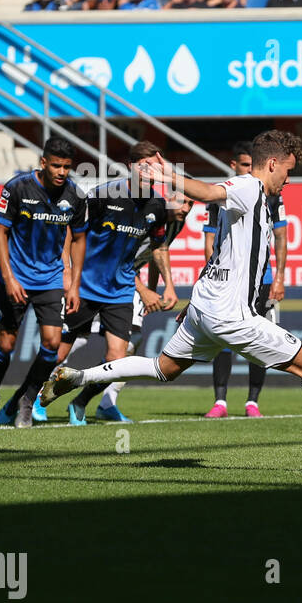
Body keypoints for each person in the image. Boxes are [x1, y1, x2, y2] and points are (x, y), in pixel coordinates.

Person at [43, 131, 302, 471]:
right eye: (288, 170)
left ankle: (77, 377)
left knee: (160, 369)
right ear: (272, 164)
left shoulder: (252, 197)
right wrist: (169, 175)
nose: (288, 179)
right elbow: (209, 191)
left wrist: (195, 304)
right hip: (230, 314)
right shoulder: (248, 187)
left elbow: (220, 255)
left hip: (206, 308)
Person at [54, 141, 176, 425]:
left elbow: (159, 247)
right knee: (57, 350)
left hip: (119, 288)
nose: (149, 171)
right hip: (85, 284)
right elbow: (72, 232)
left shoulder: (157, 205)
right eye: (143, 165)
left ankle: (80, 402)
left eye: (155, 166)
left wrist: (168, 285)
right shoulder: (103, 195)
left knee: (118, 359)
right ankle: (28, 399)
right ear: (131, 167)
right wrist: (67, 270)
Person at [0, 138, 88, 430]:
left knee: (52, 343)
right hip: (16, 277)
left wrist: (74, 284)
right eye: (56, 165)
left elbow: (78, 239)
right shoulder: (17, 188)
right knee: (6, 343)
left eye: (66, 166)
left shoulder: (75, 195)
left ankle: (27, 402)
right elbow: (0, 232)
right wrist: (8, 277)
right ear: (43, 163)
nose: (62, 171)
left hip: (50, 279)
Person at [203, 141, 289, 418]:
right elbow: (210, 239)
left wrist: (279, 278)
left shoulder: (274, 197)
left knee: (260, 337)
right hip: (229, 281)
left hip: (261, 280)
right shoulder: (224, 194)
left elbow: (280, 237)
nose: (249, 170)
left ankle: (253, 401)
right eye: (244, 165)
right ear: (234, 165)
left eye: (252, 165)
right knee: (223, 339)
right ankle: (220, 402)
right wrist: (214, 272)